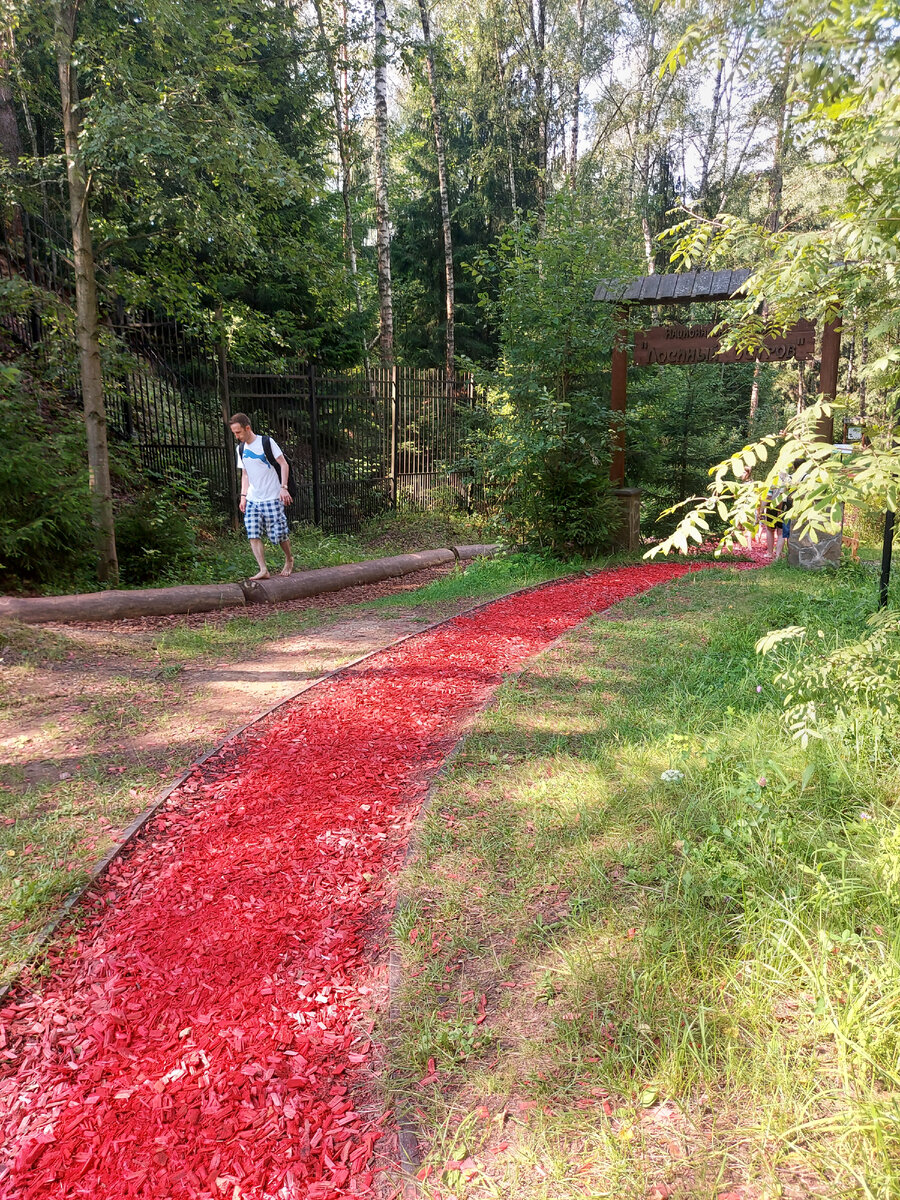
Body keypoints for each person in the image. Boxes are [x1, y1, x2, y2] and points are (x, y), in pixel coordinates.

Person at [228, 412, 295, 579]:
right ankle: (263, 569)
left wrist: (284, 487)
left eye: (238, 432)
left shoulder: (266, 442)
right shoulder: (241, 449)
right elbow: (245, 474)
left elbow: (283, 464)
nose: (237, 436)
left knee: (278, 534)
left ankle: (289, 558)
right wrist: (243, 496)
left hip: (272, 496)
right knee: (253, 532)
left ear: (247, 428)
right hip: (253, 498)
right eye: (234, 433)